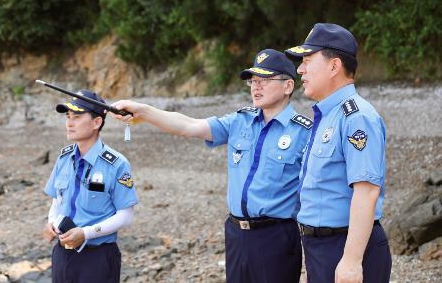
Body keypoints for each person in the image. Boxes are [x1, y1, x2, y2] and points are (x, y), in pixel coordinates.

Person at [112, 49, 311, 283]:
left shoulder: (304, 132)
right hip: (236, 234)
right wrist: (144, 111)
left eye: (265, 80)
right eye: (253, 81)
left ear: (288, 86)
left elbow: (312, 197)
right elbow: (189, 126)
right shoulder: (240, 121)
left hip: (276, 237)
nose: (256, 87)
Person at [285, 23, 392, 283]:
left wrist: (352, 261)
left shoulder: (357, 117)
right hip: (321, 248)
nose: (300, 69)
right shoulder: (327, 115)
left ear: (334, 66)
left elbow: (366, 191)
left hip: (347, 247)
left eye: (307, 60)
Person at [42, 89, 138, 283]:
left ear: (96, 122)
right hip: (62, 255)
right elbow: (57, 199)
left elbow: (126, 215)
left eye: (77, 116)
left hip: (97, 258)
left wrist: (86, 233)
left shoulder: (117, 164)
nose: (69, 122)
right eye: (68, 116)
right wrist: (51, 221)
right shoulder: (64, 157)